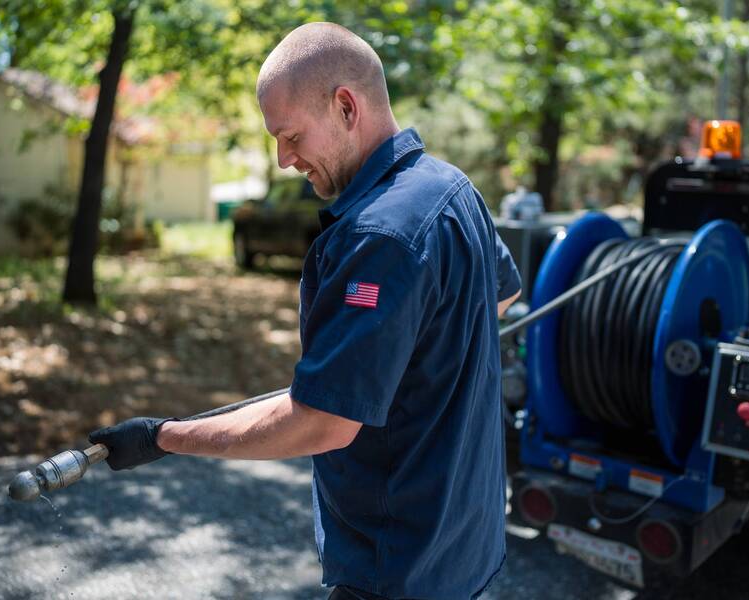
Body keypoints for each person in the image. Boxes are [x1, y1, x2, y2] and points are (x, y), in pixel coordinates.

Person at [89, 22, 521, 600]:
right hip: (466, 550)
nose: (283, 159)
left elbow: (322, 424)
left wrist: (163, 437)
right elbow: (501, 295)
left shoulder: (378, 235)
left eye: (290, 135)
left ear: (346, 106)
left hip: (396, 570)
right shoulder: (452, 187)